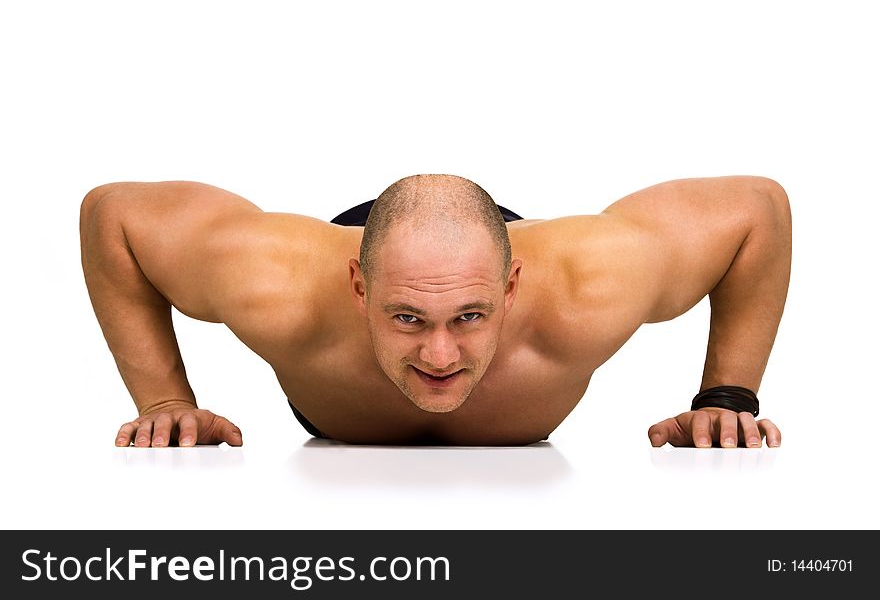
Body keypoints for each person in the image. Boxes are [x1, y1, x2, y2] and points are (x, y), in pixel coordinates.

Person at [79, 173, 790, 448]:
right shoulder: (277, 285)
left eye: (470, 318)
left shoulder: (590, 285)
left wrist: (726, 396)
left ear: (512, 288)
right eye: (408, 319)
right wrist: (165, 398)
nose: (440, 357)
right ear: (359, 289)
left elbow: (755, 210)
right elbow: (115, 215)